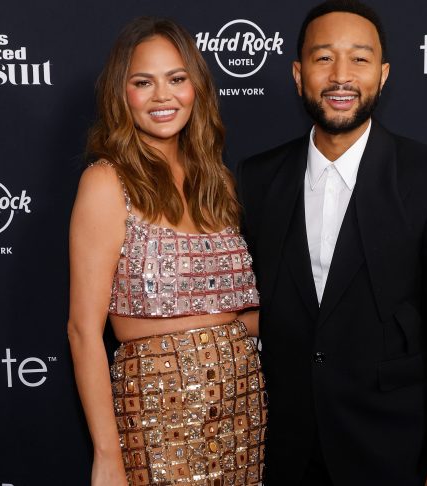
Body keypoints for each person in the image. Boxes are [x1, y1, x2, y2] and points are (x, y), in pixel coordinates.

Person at [235, 1, 427, 485]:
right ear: (297, 72)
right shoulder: (256, 178)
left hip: (391, 449)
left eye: (360, 59)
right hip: (282, 451)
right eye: (324, 57)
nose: (340, 76)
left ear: (384, 74)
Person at [68, 17, 265, 486]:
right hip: (157, 412)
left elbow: (249, 308)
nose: (163, 96)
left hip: (243, 405)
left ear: (196, 88)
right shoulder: (106, 182)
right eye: (143, 82)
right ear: (123, 94)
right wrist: (107, 455)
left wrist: (226, 333)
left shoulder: (218, 183)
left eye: (176, 79)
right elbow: (82, 331)